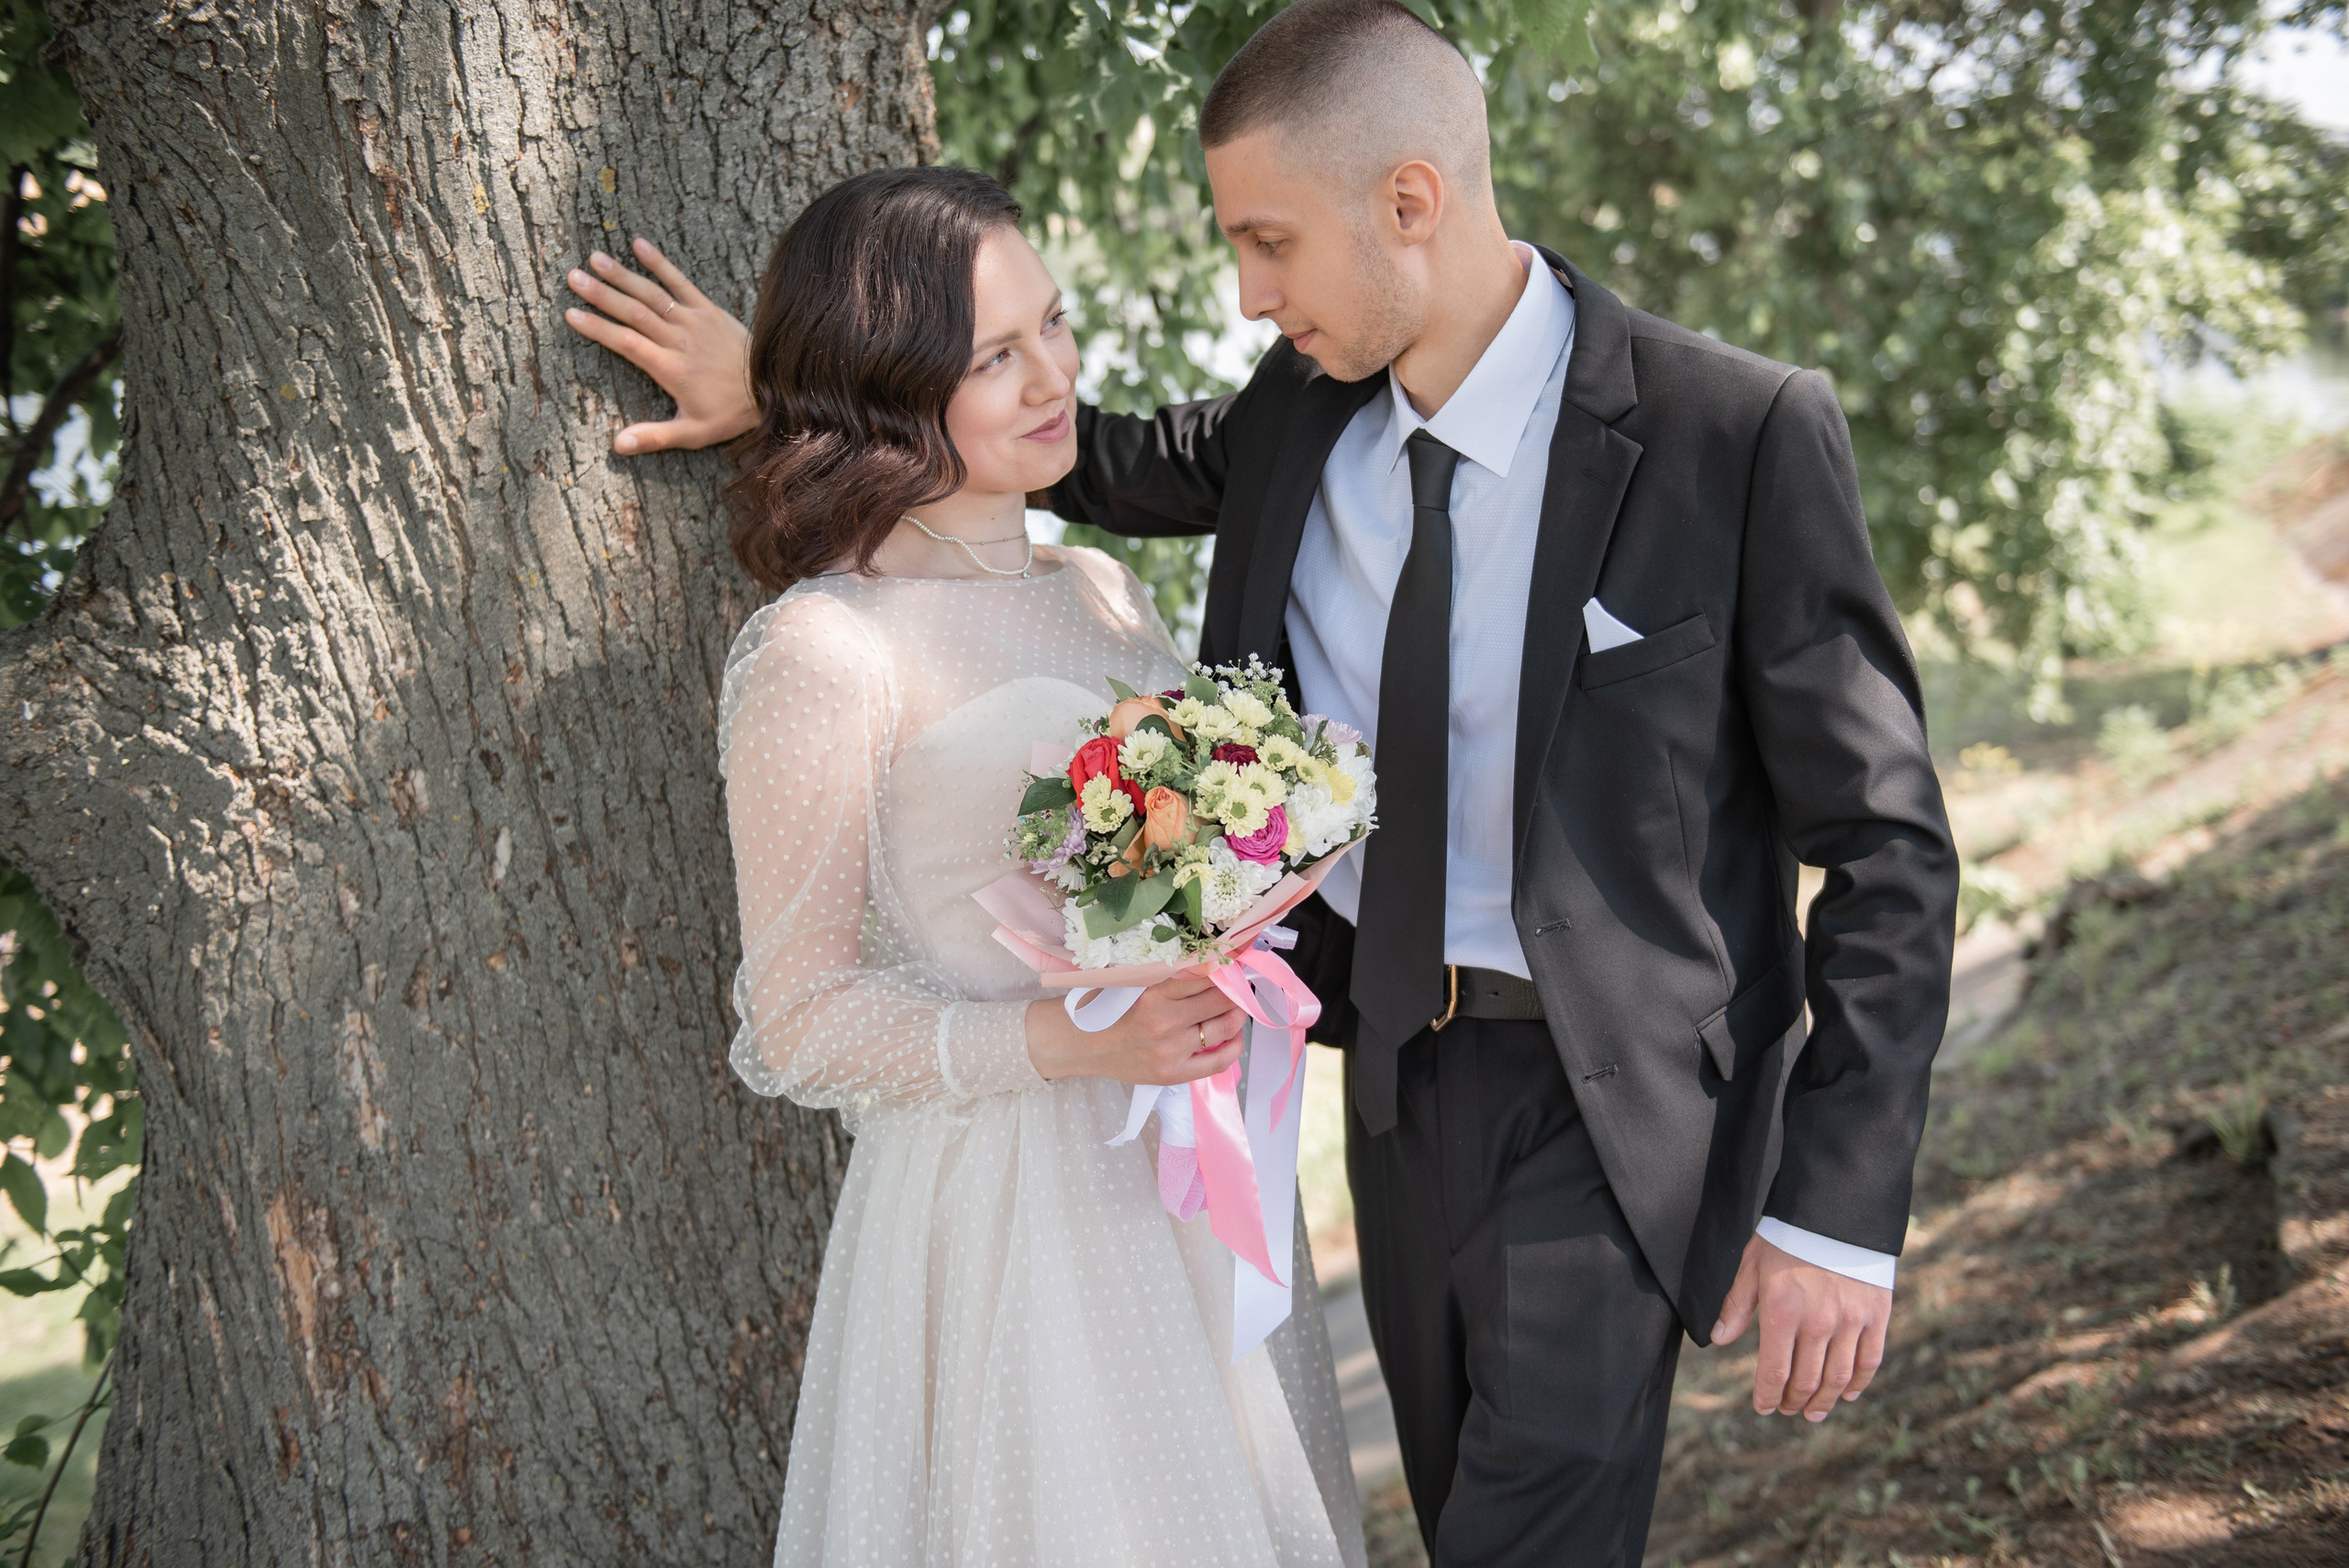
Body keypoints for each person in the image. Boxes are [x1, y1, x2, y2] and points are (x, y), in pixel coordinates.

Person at [570, 3, 1960, 1559]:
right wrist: (788, 385)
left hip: (1615, 1105)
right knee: (1433, 1519)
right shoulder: (1295, 420)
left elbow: (1890, 847)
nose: (1248, 294)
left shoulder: (1736, 434)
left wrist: (1835, 1207)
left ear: (1410, 204)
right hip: (1373, 1101)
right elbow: (1029, 444)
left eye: (1272, 241)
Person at [562, 165, 1366, 1566]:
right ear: (888, 387)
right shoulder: (826, 654)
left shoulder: (1101, 592)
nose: (1055, 374)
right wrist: (1055, 1041)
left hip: (1183, 1175)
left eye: (1051, 325)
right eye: (996, 356)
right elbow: (795, 1017)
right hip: (1011, 1218)